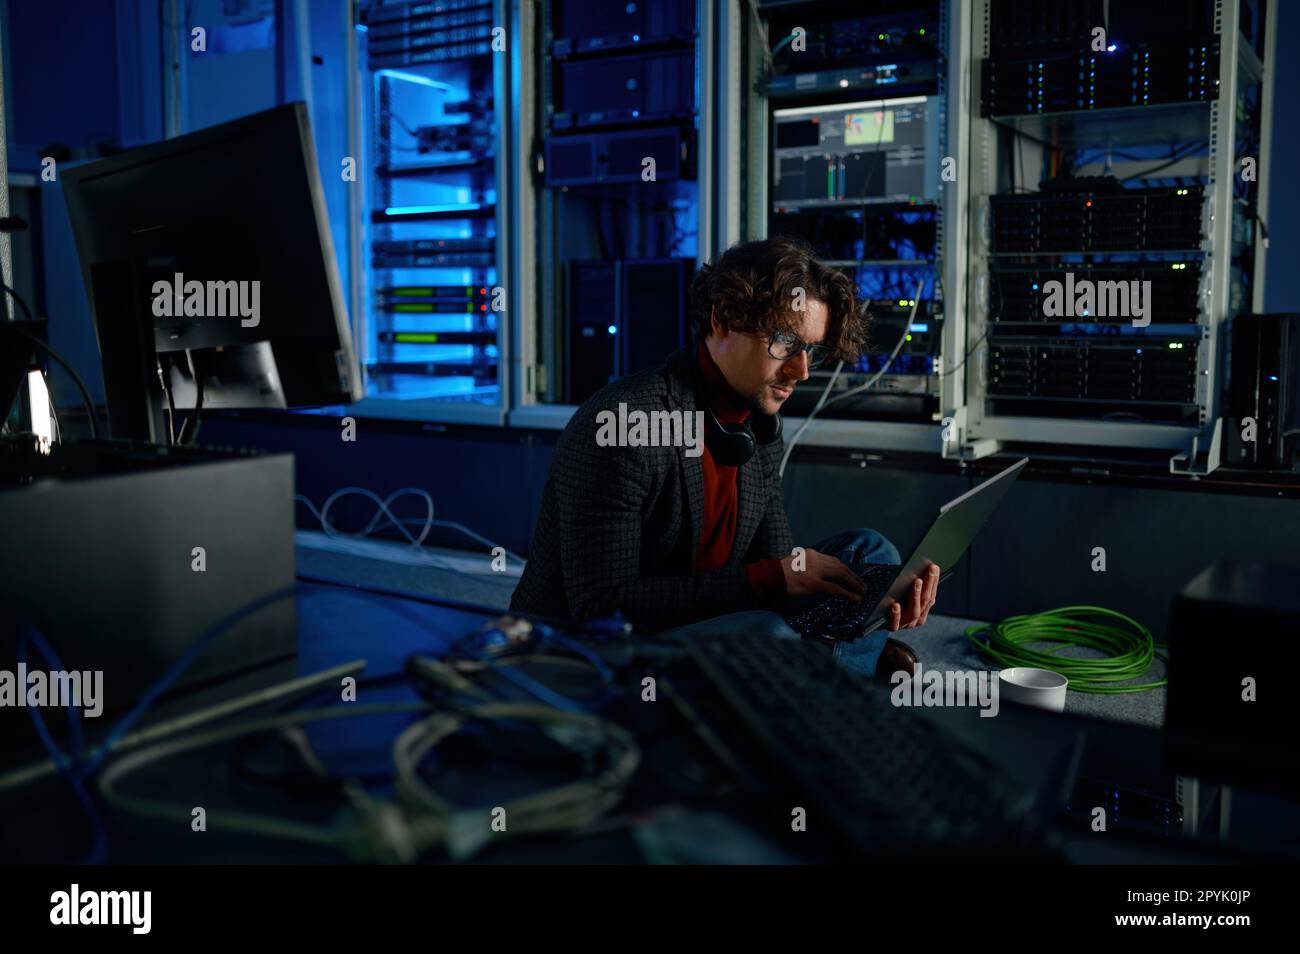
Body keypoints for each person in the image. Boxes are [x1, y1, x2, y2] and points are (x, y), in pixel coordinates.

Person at [510, 237, 940, 677]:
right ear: (723, 319)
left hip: (711, 613)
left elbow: (775, 565)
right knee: (769, 636)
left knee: (871, 553)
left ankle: (818, 661)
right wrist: (775, 579)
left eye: (812, 350)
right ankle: (831, 663)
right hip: (597, 648)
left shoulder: (759, 422)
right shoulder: (622, 425)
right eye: (785, 342)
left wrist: (872, 592)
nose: (801, 371)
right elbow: (602, 608)